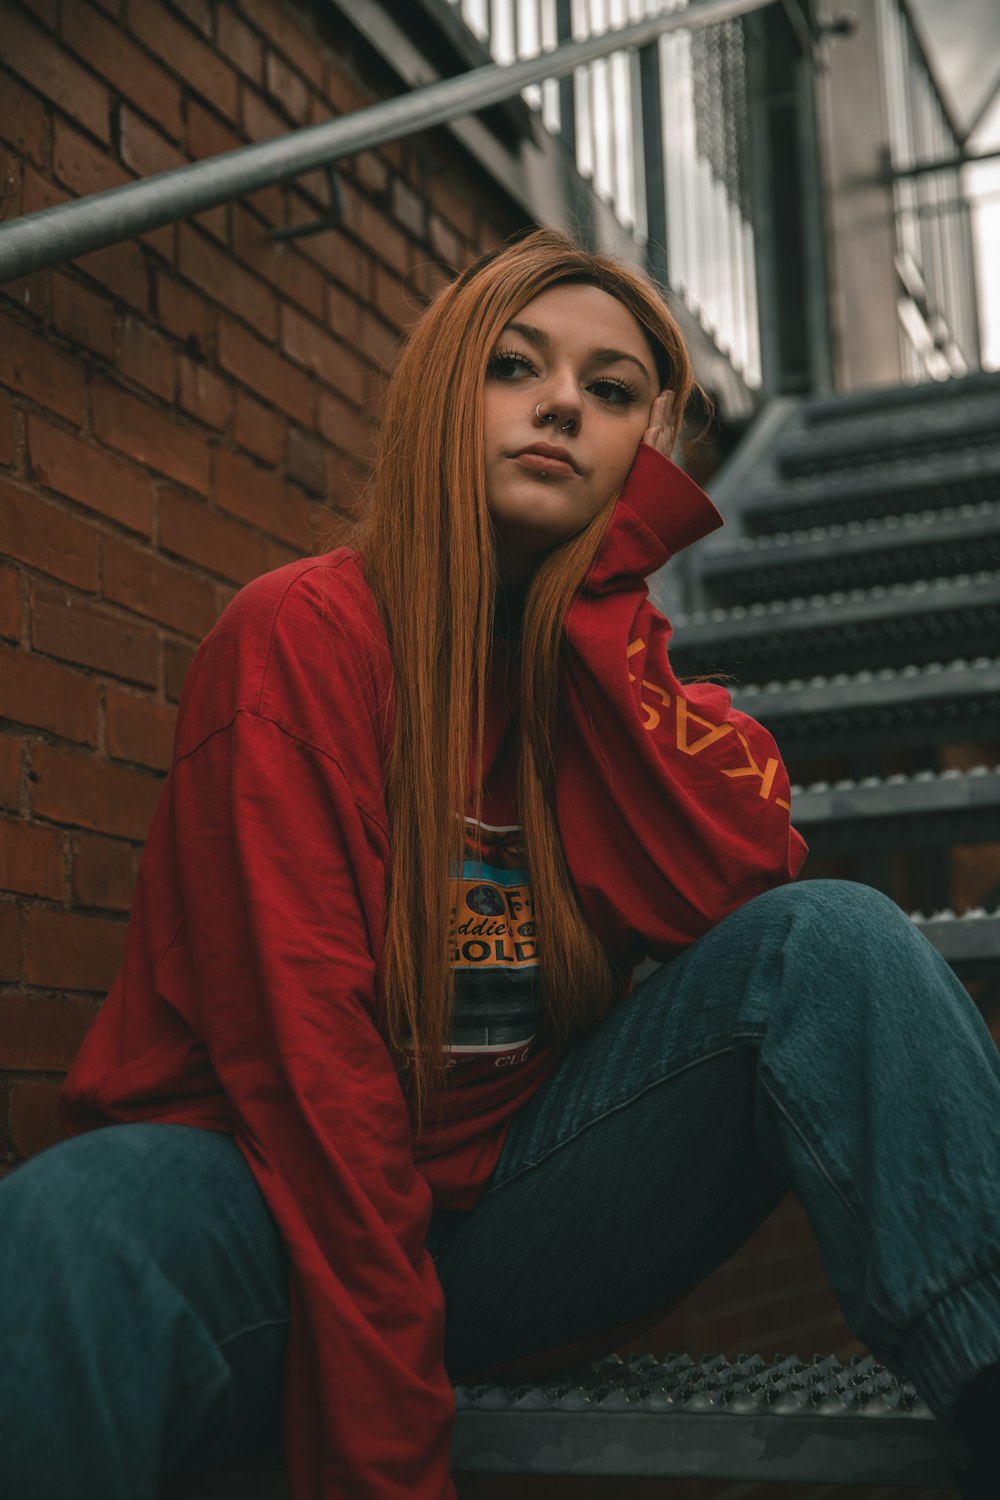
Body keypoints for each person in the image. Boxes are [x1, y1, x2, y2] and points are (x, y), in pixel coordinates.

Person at [1, 228, 998, 1500]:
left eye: (613, 390)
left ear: (646, 449)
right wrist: (389, 1456)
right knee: (68, 1230)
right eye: (515, 365)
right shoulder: (299, 637)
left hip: (511, 1220)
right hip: (253, 1200)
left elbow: (733, 886)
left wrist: (589, 607)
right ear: (440, 394)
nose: (562, 403)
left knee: (840, 937)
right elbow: (305, 1073)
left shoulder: (616, 686)